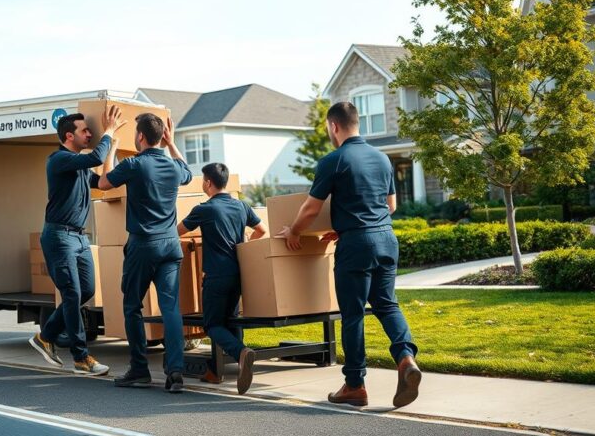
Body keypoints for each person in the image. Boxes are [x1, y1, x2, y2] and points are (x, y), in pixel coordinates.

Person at [279, 101, 421, 408]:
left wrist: (293, 231)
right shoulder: (382, 159)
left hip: (356, 246)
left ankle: (355, 385)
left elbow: (311, 208)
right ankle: (406, 358)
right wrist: (348, 225)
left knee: (353, 315)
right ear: (357, 123)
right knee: (386, 304)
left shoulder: (334, 160)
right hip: (385, 239)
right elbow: (390, 205)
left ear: (333, 126)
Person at [28, 105, 126, 376]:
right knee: (71, 294)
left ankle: (45, 337)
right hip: (59, 236)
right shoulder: (58, 159)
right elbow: (96, 156)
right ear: (69, 136)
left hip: (79, 238)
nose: (90, 133)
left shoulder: (81, 166)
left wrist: (114, 144)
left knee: (86, 291)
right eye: (85, 130)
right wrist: (108, 131)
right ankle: (81, 358)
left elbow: (105, 183)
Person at [99, 114, 193, 393]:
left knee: (132, 306)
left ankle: (140, 370)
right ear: (161, 136)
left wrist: (112, 145)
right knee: (170, 309)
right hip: (170, 245)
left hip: (143, 245)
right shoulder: (173, 166)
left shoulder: (134, 164)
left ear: (140, 137)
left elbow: (104, 183)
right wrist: (172, 143)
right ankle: (175, 372)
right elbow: (187, 172)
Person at [177, 162, 266, 395]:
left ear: (208, 183)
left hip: (215, 275)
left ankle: (241, 353)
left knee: (213, 324)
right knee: (231, 319)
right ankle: (223, 371)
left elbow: (177, 231)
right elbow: (262, 231)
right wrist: (244, 245)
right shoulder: (241, 206)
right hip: (238, 274)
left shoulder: (204, 209)